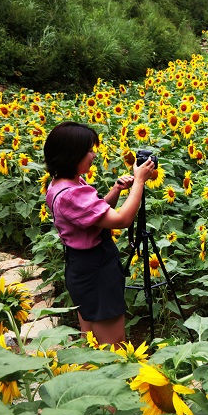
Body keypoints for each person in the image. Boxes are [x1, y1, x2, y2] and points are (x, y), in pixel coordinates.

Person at [44, 121, 155, 345]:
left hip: (82, 265)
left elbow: (94, 215)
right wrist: (139, 182)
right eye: (89, 151)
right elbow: (122, 220)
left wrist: (116, 190)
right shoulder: (70, 194)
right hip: (95, 269)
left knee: (90, 341)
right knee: (113, 344)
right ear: (72, 155)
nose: (94, 155)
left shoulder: (61, 184)